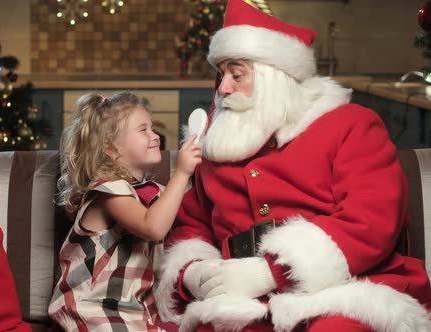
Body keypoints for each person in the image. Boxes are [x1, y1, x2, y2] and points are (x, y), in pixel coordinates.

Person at [154, 1, 431, 331]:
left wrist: (269, 271)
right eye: (221, 74)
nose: (223, 87)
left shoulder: (351, 125)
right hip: (243, 302)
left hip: (345, 291)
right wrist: (194, 272)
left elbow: (371, 220)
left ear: (273, 79)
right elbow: (191, 223)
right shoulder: (219, 142)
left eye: (236, 74)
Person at [48, 92, 201, 331]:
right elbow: (153, 227)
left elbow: (178, 212)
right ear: (109, 147)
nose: (154, 136)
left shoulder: (154, 195)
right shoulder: (108, 191)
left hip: (133, 311)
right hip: (93, 308)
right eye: (143, 130)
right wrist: (182, 173)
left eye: (152, 128)